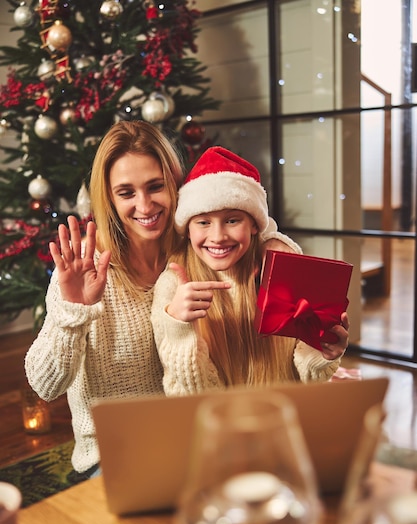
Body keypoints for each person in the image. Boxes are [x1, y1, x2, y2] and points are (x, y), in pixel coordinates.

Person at [25, 121, 300, 476]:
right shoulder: (86, 270)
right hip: (115, 454)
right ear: (108, 197)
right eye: (126, 193)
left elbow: (241, 218)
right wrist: (73, 311)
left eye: (155, 187)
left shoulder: (196, 252)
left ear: (175, 186)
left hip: (198, 443)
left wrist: (275, 240)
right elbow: (46, 386)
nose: (144, 205)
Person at [151, 146, 349, 396]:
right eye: (203, 222)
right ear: (187, 229)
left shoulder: (280, 272)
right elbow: (190, 396)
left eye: (232, 220)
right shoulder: (173, 286)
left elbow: (308, 378)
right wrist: (178, 327)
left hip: (278, 417)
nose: (218, 237)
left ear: (255, 225)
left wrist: (323, 353)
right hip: (214, 426)